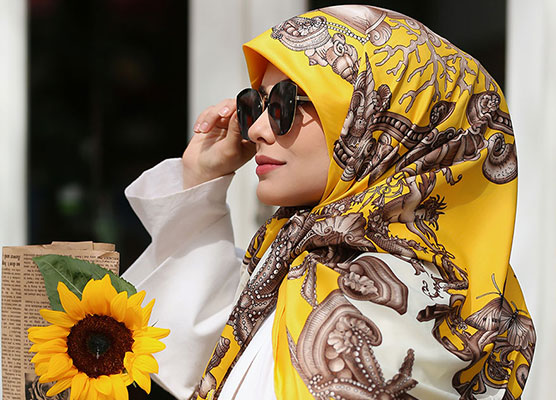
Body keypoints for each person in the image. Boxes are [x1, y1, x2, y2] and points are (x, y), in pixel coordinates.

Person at [123, 5, 535, 400]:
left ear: (374, 119)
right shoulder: (293, 262)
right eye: (256, 105)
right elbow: (207, 356)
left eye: (285, 103)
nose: (258, 130)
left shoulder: (399, 301)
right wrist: (202, 179)